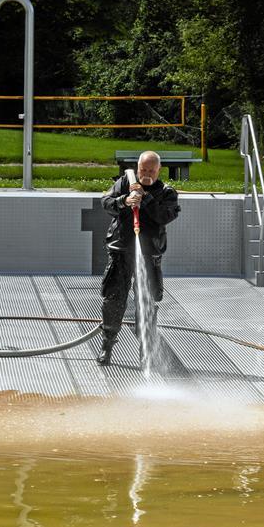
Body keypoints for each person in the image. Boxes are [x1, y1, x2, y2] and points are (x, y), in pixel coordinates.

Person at [96, 150, 180, 365]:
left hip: (148, 255)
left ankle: (146, 351)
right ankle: (107, 345)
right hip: (121, 251)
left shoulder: (167, 192)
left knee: (147, 302)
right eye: (143, 169)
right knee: (113, 300)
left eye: (152, 170)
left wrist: (146, 198)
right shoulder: (126, 182)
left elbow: (165, 216)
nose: (147, 174)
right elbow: (106, 202)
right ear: (138, 167)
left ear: (159, 170)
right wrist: (124, 201)